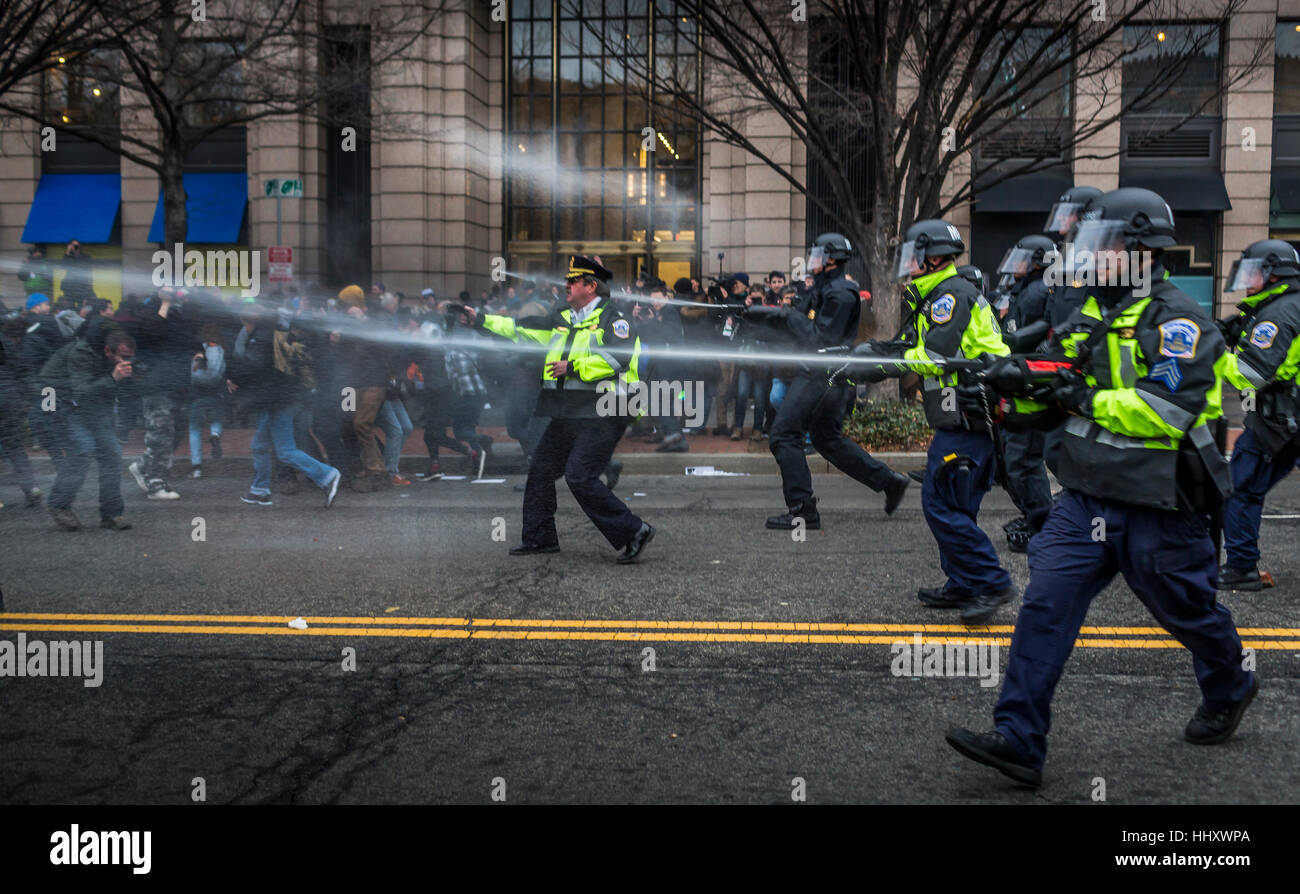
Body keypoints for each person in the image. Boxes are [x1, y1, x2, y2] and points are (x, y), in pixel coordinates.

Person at [946, 187, 1256, 787]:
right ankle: (1018, 740)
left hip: (1161, 503)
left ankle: (1232, 684)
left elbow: (1162, 410)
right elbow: (1062, 368)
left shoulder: (1180, 323)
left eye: (1103, 243)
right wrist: (1013, 376)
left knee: (1189, 615)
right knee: (1044, 608)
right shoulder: (1093, 310)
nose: (1089, 255)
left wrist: (1073, 394)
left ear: (1141, 250)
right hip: (1086, 497)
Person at [859, 219, 1013, 624]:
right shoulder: (939, 295)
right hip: (962, 417)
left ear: (934, 258)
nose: (908, 265)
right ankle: (964, 582)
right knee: (957, 504)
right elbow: (915, 346)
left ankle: (992, 582)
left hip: (967, 417)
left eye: (914, 258)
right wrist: (865, 355)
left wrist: (883, 365)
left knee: (939, 501)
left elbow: (935, 356)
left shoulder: (950, 295)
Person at [460, 255, 655, 563]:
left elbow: (615, 360)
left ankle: (633, 531)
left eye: (573, 280)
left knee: (580, 476)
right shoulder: (562, 317)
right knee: (540, 469)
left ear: (591, 286)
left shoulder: (615, 319)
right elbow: (518, 329)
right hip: (570, 411)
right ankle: (540, 538)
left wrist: (574, 367)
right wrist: (479, 320)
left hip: (606, 409)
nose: (566, 285)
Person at [743, 233, 910, 530]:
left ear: (831, 259)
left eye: (818, 255)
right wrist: (755, 320)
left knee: (783, 435)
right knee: (827, 439)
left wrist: (784, 315)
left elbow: (819, 339)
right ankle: (888, 481)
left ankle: (802, 510)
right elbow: (796, 328)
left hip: (823, 376)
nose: (812, 260)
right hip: (825, 376)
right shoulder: (823, 289)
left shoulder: (841, 293)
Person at [1217, 239, 1300, 590]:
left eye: (1252, 272)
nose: (1246, 279)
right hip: (1287, 418)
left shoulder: (1278, 314)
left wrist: (1213, 353)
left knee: (1240, 489)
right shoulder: (1282, 306)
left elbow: (1252, 373)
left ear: (1272, 273)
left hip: (1278, 421)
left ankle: (1240, 568)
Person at [230, 303, 341, 508]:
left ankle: (328, 475)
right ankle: (260, 490)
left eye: (244, 324)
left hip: (278, 401)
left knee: (286, 451)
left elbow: (254, 367)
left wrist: (233, 377)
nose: (244, 328)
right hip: (282, 399)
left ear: (249, 321)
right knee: (260, 446)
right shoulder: (273, 333)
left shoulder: (261, 338)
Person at [995, 235, 1058, 552]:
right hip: (1024, 385)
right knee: (1019, 460)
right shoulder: (1030, 290)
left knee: (1024, 462)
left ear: (1037, 261)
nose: (1014, 263)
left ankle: (1043, 526)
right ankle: (1037, 519)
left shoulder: (1035, 292)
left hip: (1031, 388)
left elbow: (1019, 339)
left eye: (1021, 258)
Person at [40, 327, 138, 530]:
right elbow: (81, 392)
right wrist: (113, 378)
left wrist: (129, 380)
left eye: (130, 357)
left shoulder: (112, 360)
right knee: (83, 449)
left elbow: (120, 392)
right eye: (122, 357)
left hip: (94, 410)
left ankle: (112, 514)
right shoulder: (81, 354)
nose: (125, 361)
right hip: (65, 406)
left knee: (112, 454)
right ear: (108, 351)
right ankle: (58, 504)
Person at [187, 322, 228, 478]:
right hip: (215, 390)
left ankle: (197, 468)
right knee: (216, 418)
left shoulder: (199, 349)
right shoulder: (221, 351)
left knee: (194, 428)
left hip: (197, 391)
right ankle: (215, 434)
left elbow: (193, 370)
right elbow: (222, 370)